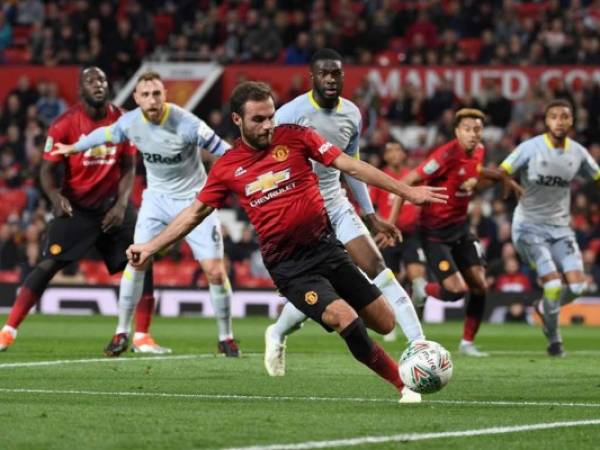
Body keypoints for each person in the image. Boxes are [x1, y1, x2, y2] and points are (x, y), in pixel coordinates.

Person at [125, 81, 448, 402]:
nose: (268, 125)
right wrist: (149, 247)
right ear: (237, 120)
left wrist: (406, 192)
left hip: (327, 247)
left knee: (385, 320)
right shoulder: (227, 168)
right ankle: (404, 385)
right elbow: (193, 213)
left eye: (270, 117)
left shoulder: (296, 136)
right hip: (290, 266)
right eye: (258, 120)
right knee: (344, 317)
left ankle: (283, 326)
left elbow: (350, 165)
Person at [264, 50, 425, 393]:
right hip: (301, 208)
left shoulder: (352, 113)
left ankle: (419, 346)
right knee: (327, 288)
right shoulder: (289, 114)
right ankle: (278, 331)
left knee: (376, 264)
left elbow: (350, 166)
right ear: (312, 77)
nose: (331, 80)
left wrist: (370, 215)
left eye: (336, 74)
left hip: (334, 201)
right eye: (324, 74)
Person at [52, 72, 239, 357]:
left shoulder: (187, 124)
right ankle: (121, 333)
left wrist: (250, 170)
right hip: (156, 201)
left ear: (165, 94)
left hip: (195, 200)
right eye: (146, 94)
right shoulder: (130, 123)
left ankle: (226, 338)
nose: (152, 99)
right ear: (136, 98)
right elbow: (102, 135)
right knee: (136, 261)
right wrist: (72, 147)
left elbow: (224, 151)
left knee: (215, 271)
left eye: (156, 93)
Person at [0, 67, 164, 353]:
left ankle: (142, 337)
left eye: (102, 79)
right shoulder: (64, 124)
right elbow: (47, 170)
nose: (98, 84)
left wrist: (122, 204)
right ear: (80, 89)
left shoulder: (125, 119)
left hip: (113, 207)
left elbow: (128, 165)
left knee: (143, 258)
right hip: (76, 209)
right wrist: (54, 196)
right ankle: (8, 331)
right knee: (48, 265)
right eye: (91, 81)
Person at [390, 108, 522, 357]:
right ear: (457, 131)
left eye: (477, 129)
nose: (473, 134)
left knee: (480, 286)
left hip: (460, 229)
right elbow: (405, 182)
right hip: (434, 233)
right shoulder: (445, 155)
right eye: (468, 129)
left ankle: (467, 343)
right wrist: (391, 222)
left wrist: (500, 177)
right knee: (454, 291)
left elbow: (476, 171)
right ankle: (422, 289)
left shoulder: (480, 150)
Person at [499, 99, 600, 357]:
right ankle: (554, 341)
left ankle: (545, 308)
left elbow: (597, 176)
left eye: (564, 116)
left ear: (572, 121)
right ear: (546, 121)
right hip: (529, 227)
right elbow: (502, 170)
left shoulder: (578, 152)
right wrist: (505, 182)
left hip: (561, 229)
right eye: (554, 116)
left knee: (578, 287)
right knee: (553, 284)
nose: (559, 121)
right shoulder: (530, 148)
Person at [370, 142, 427, 298]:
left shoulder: (414, 177)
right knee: (390, 281)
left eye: (398, 150)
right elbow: (368, 209)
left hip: (411, 234)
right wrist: (381, 226)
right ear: (385, 156)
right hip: (389, 236)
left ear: (404, 154)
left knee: (418, 280)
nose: (394, 153)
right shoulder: (378, 178)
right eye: (390, 151)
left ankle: (418, 301)